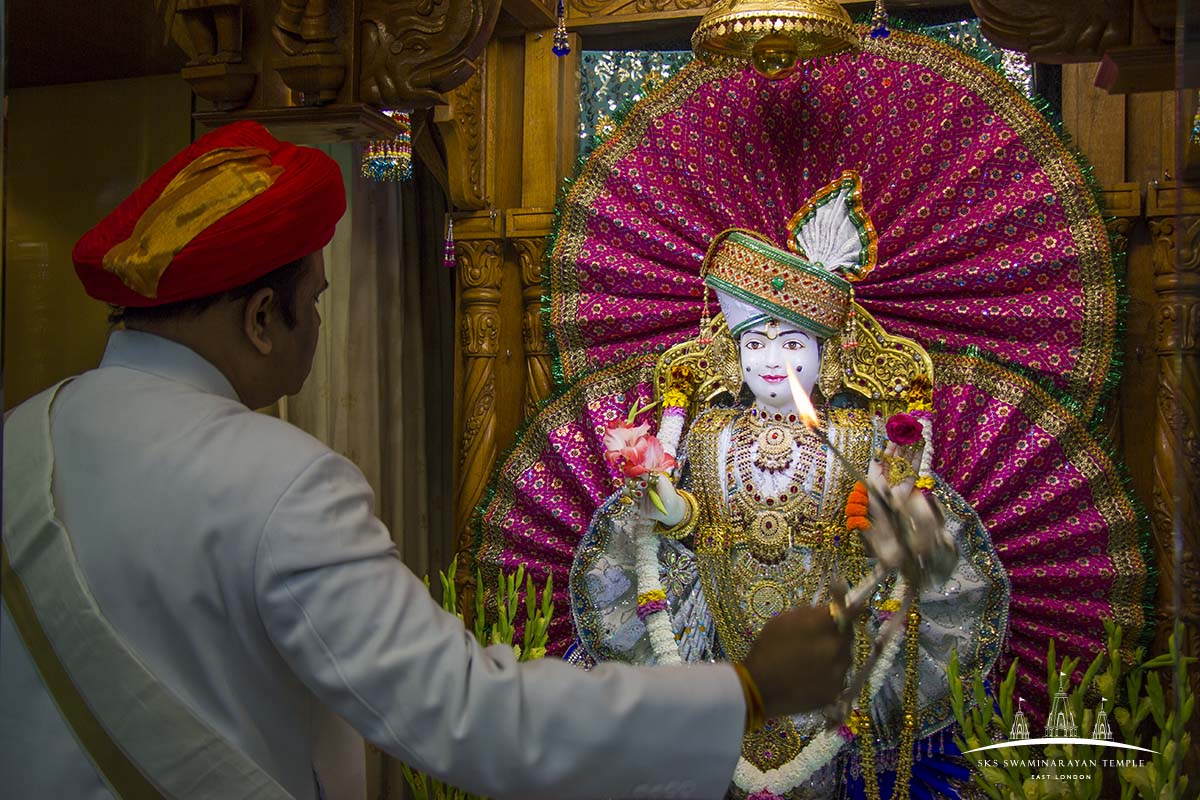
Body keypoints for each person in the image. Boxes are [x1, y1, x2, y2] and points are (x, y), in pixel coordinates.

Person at [0, 121, 855, 800]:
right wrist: (743, 691)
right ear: (265, 317)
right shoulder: (279, 479)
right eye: (316, 302)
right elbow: (466, 715)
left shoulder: (16, 440)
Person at [571, 177, 1010, 798]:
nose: (770, 359)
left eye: (792, 343)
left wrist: (887, 519)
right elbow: (690, 522)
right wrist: (666, 498)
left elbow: (895, 529)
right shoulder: (710, 428)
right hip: (721, 624)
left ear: (825, 355)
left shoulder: (857, 432)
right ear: (734, 355)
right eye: (754, 343)